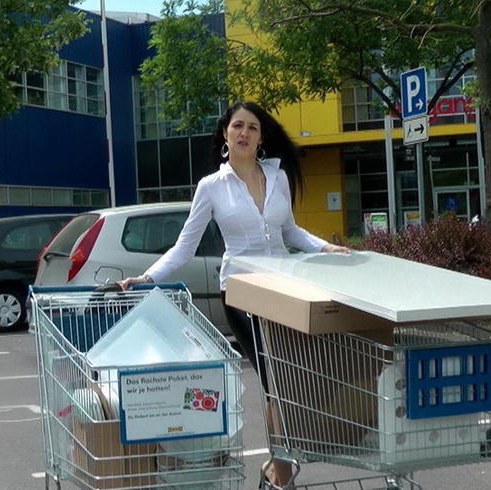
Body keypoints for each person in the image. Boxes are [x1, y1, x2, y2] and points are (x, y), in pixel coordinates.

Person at [118, 100, 350, 487]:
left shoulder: (278, 178)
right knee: (277, 382)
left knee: (297, 381)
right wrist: (147, 276)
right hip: (242, 292)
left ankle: (276, 469)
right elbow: (184, 246)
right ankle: (283, 478)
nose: (244, 133)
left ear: (261, 139)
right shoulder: (212, 187)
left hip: (284, 290)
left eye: (252, 128)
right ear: (226, 134)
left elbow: (290, 232)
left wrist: (327, 248)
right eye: (237, 126)